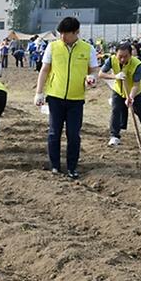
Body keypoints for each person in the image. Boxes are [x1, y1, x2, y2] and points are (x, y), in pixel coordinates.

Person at [34, 16, 99, 179]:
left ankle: (72, 167)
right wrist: (39, 92)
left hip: (76, 99)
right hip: (55, 97)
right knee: (54, 133)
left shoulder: (87, 48)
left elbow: (93, 70)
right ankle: (55, 165)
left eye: (66, 34)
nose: (62, 37)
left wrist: (92, 78)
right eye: (60, 33)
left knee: (73, 134)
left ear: (76, 32)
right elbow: (45, 70)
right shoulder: (53, 47)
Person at [99, 41, 141, 147]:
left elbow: (136, 84)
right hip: (118, 91)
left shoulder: (137, 64)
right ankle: (114, 136)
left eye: (125, 56)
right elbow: (101, 74)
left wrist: (130, 97)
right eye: (120, 56)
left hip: (136, 92)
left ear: (131, 55)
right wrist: (115, 76)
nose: (122, 59)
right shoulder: (111, 60)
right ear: (116, 54)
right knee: (115, 111)